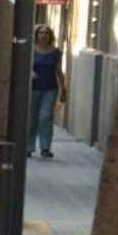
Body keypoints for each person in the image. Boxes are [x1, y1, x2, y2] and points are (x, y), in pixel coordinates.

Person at [29, 24, 66, 159]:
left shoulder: (55, 52)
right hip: (33, 89)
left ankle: (45, 147)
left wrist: (63, 89)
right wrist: (30, 72)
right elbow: (23, 66)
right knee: (31, 118)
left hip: (50, 88)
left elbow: (59, 71)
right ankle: (29, 147)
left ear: (50, 36)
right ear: (36, 35)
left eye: (46, 33)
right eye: (40, 33)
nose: (43, 35)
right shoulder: (31, 50)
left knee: (45, 117)